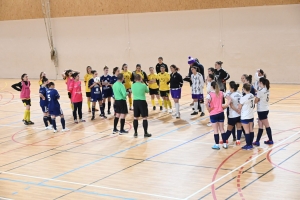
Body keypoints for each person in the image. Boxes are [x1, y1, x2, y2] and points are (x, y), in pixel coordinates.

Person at [206, 82, 231, 150]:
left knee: (215, 130)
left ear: (212, 87)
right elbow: (229, 99)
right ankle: (225, 144)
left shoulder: (209, 94)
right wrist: (226, 105)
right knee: (222, 129)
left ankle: (217, 145)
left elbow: (206, 103)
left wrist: (208, 109)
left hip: (213, 113)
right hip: (221, 113)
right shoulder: (221, 92)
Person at [253, 77, 273, 146]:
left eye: (259, 82)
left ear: (261, 82)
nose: (258, 83)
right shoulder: (267, 89)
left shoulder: (260, 91)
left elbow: (256, 101)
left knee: (267, 126)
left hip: (261, 110)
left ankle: (270, 140)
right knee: (260, 126)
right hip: (265, 109)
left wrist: (255, 97)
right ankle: (257, 141)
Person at [238, 83, 255, 150]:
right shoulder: (252, 95)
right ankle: (250, 144)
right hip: (251, 115)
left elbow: (239, 107)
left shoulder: (243, 98)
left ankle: (248, 145)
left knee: (247, 131)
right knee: (251, 130)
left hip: (245, 116)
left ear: (244, 89)